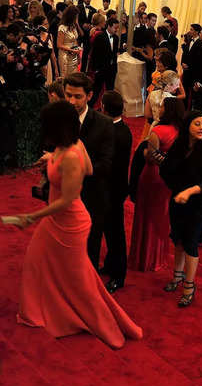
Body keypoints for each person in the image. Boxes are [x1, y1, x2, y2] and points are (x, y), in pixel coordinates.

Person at [4, 100, 142, 349]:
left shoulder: (69, 155)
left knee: (79, 279)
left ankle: (107, 327)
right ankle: (48, 312)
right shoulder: (71, 146)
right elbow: (89, 168)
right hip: (57, 220)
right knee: (40, 263)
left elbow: (67, 200)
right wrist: (51, 161)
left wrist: (30, 217)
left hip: (69, 223)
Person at [159, 110, 202, 307]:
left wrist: (189, 192)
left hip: (198, 204)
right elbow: (168, 169)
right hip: (178, 200)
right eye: (197, 124)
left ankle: (189, 286)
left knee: (191, 243)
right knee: (178, 240)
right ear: (187, 126)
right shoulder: (179, 145)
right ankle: (177, 276)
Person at [64, 72, 114, 268]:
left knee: (88, 254)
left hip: (91, 199)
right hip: (61, 198)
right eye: (68, 95)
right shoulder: (57, 118)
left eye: (77, 96)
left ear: (90, 95)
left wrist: (74, 167)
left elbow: (106, 165)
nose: (71, 101)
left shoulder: (104, 124)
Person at [128, 97, 184, 272]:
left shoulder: (158, 131)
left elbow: (151, 158)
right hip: (170, 180)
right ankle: (158, 257)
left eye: (162, 107)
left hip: (152, 177)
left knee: (146, 217)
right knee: (161, 217)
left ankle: (143, 258)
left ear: (168, 111)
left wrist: (144, 152)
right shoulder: (182, 131)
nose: (159, 109)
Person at [100, 91, 131, 293]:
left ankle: (119, 276)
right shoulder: (122, 129)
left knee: (115, 234)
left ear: (104, 108)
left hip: (112, 190)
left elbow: (109, 166)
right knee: (110, 231)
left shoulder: (113, 133)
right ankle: (111, 265)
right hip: (114, 188)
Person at [87, 16, 118, 107]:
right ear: (109, 26)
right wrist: (95, 69)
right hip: (101, 69)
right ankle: (89, 107)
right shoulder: (100, 36)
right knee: (96, 90)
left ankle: (108, 109)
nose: (116, 30)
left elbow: (114, 53)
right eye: (115, 28)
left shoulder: (116, 38)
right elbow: (94, 54)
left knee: (110, 91)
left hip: (111, 69)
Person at [56, 4, 81, 76]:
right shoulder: (62, 27)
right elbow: (59, 44)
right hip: (65, 56)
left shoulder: (73, 27)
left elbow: (75, 41)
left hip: (74, 55)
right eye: (76, 17)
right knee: (65, 77)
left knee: (73, 78)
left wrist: (78, 55)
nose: (77, 19)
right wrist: (72, 50)